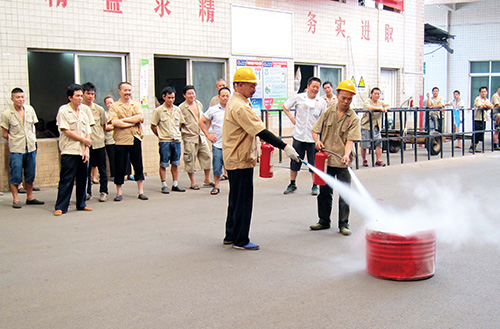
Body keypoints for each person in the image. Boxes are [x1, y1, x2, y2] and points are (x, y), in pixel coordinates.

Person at [223, 67, 300, 250]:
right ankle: (240, 240)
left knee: (235, 198)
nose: (254, 88)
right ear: (239, 85)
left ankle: (230, 234)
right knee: (243, 200)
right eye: (251, 85)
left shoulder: (237, 101)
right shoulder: (240, 106)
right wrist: (285, 146)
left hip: (234, 157)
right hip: (240, 159)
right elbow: (261, 131)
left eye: (255, 85)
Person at [309, 80, 361, 236]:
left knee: (345, 193)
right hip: (326, 160)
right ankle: (323, 221)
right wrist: (317, 141)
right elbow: (315, 130)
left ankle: (343, 224)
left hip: (343, 162)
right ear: (337, 95)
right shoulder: (328, 112)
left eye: (349, 99)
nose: (346, 102)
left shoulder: (354, 118)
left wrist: (346, 154)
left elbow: (350, 140)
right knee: (324, 192)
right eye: (343, 98)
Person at [1, 87, 45, 208]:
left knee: (30, 173)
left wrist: (33, 140)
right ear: (12, 99)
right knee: (16, 174)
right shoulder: (6, 114)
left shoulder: (30, 110)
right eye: (17, 97)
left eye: (22, 97)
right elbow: (4, 133)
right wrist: (15, 140)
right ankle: (15, 199)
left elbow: (33, 127)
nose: (20, 100)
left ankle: (30, 197)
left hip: (30, 146)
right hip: (16, 149)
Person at [282, 77, 327, 195]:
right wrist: (292, 118)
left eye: (318, 87)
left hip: (313, 138)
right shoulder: (299, 98)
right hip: (299, 135)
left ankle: (315, 185)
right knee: (295, 160)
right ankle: (292, 183)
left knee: (314, 163)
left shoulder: (321, 102)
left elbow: (324, 119)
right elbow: (285, 106)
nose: (315, 89)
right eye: (313, 86)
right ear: (308, 86)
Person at [53, 84, 93, 216]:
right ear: (70, 97)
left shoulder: (84, 112)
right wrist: (84, 140)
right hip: (69, 151)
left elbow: (88, 132)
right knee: (67, 179)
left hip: (82, 151)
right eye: (77, 96)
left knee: (83, 179)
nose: (80, 98)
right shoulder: (63, 111)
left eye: (81, 95)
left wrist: (86, 149)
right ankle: (61, 206)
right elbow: (66, 131)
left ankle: (81, 204)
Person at [109, 82, 148, 201]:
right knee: (119, 166)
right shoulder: (114, 106)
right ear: (119, 91)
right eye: (125, 90)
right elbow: (114, 122)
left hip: (135, 137)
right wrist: (132, 122)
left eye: (129, 90)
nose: (127, 93)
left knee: (138, 164)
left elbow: (140, 118)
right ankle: (119, 192)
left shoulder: (135, 104)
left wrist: (124, 120)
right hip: (121, 139)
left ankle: (141, 191)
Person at [151, 86, 186, 194]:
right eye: (169, 97)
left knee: (175, 163)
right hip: (164, 141)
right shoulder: (158, 111)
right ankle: (164, 184)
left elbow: (181, 124)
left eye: (172, 98)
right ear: (164, 97)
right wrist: (160, 135)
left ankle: (175, 183)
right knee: (164, 163)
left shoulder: (177, 109)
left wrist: (177, 133)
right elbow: (153, 126)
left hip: (176, 140)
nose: (171, 100)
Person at [179, 85, 213, 190]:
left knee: (207, 156)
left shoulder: (199, 104)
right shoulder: (181, 108)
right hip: (189, 137)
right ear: (184, 95)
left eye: (193, 93)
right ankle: (192, 181)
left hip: (201, 136)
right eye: (189, 93)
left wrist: (206, 131)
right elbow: (179, 124)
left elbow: (203, 119)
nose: (191, 95)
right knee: (190, 160)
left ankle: (207, 179)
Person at [199, 87, 230, 195]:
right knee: (217, 165)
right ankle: (216, 186)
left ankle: (233, 188)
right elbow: (201, 121)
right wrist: (208, 135)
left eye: (227, 96)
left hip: (231, 144)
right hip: (217, 143)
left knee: (232, 166)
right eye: (223, 96)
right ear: (219, 97)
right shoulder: (213, 109)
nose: (225, 98)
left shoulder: (233, 109)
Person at [82, 82, 109, 202]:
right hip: (85, 145)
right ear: (82, 94)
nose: (90, 96)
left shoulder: (99, 109)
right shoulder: (80, 109)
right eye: (88, 93)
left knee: (102, 169)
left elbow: (103, 125)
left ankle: (104, 191)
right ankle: (87, 192)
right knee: (85, 170)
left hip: (99, 143)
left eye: (92, 94)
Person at [360, 87, 389, 167]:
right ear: (371, 94)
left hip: (376, 126)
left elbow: (387, 106)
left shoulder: (380, 102)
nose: (377, 95)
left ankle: (378, 160)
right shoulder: (367, 102)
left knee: (379, 142)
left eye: (378, 94)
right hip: (367, 125)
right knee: (364, 144)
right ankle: (364, 160)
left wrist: (385, 108)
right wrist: (380, 109)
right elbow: (369, 108)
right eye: (375, 94)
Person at [469, 86, 493, 153]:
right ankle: (472, 147)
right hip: (477, 118)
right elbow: (481, 106)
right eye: (482, 92)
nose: (483, 93)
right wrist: (486, 106)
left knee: (481, 133)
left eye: (484, 91)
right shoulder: (477, 99)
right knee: (476, 133)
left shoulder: (487, 100)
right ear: (480, 92)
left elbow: (491, 107)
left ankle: (475, 146)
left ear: (487, 92)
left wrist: (486, 105)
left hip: (483, 119)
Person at [103, 95, 116, 180]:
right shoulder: (104, 114)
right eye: (107, 103)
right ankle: (114, 175)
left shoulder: (117, 113)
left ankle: (127, 174)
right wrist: (114, 125)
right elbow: (105, 127)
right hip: (109, 140)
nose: (109, 105)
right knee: (112, 159)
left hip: (119, 139)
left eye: (111, 102)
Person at [490, 86, 500, 150]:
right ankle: (497, 125)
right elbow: (497, 105)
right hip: (495, 114)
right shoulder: (495, 96)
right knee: (497, 130)